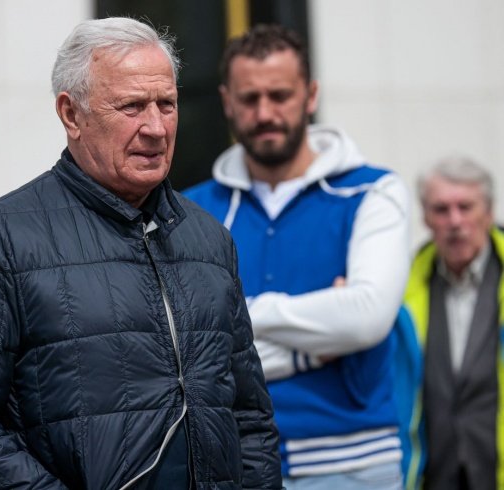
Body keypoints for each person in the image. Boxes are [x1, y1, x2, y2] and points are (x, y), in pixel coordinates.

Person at [0, 17, 281, 490]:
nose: (156, 128)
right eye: (132, 106)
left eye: (166, 104)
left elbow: (249, 419)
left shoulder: (208, 240)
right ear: (71, 114)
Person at [184, 24, 410, 488]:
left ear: (310, 95)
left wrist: (238, 318)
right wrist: (316, 342)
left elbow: (367, 318)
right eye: (249, 98)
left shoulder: (373, 192)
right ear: (227, 101)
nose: (265, 112)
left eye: (280, 95)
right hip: (233, 462)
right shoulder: (193, 211)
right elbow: (184, 351)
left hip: (353, 464)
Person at [396, 156, 503, 490]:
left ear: (488, 213)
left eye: (465, 207)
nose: (455, 221)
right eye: (441, 209)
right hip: (434, 472)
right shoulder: (403, 289)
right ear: (426, 218)